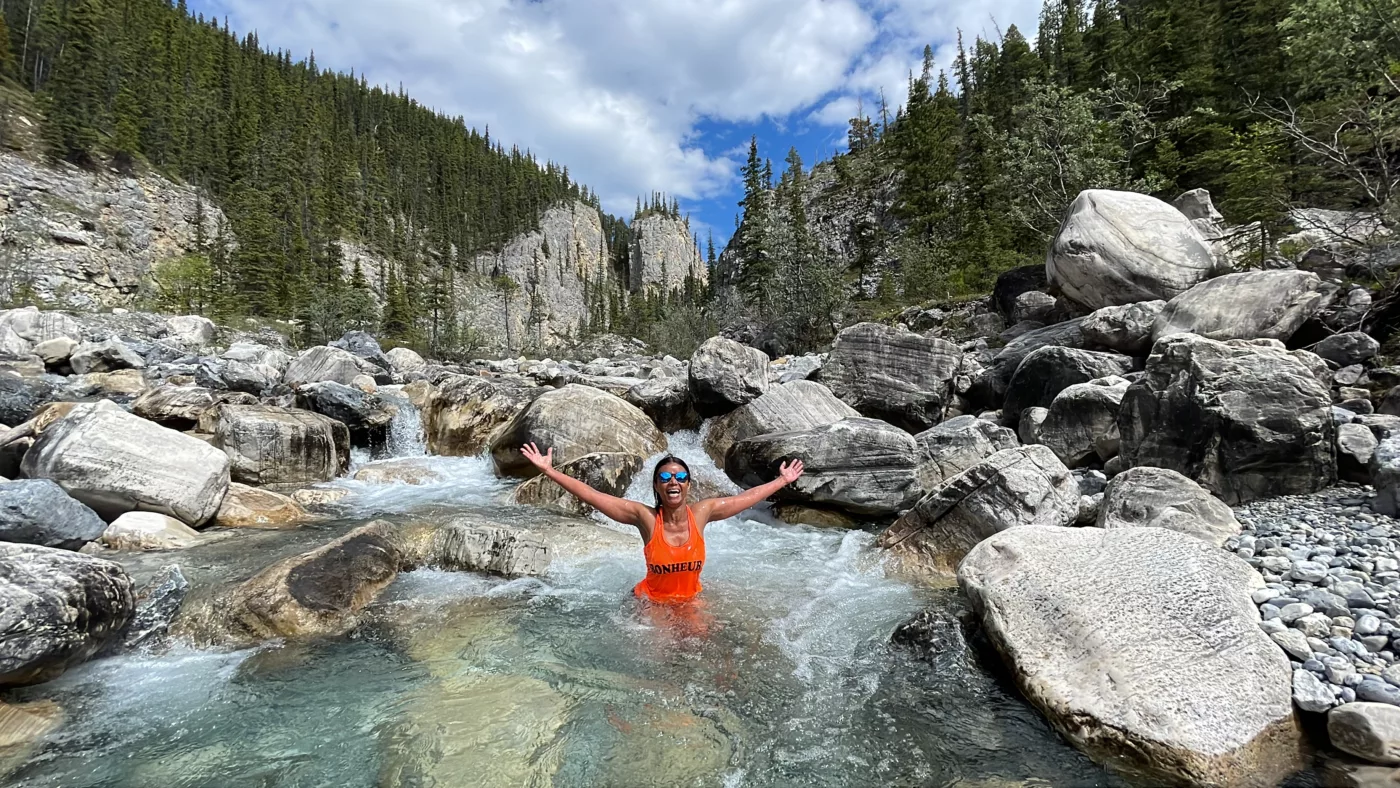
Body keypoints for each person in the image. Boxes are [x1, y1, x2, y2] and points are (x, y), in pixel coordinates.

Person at [519, 443, 804, 603]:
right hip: (651, 604)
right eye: (665, 478)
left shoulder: (702, 513)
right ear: (657, 486)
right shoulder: (645, 518)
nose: (673, 483)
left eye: (680, 477)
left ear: (688, 485)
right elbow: (594, 496)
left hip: (691, 600)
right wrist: (549, 471)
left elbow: (746, 498)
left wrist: (782, 480)